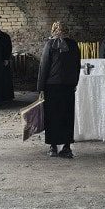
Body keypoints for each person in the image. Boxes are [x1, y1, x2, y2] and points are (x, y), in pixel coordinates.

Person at [37, 21, 81, 158]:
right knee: (67, 115)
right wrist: (74, 83)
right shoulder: (73, 45)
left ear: (53, 30)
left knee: (52, 116)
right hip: (68, 86)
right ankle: (67, 147)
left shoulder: (50, 44)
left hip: (52, 86)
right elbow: (77, 65)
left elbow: (44, 67)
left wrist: (40, 87)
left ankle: (53, 146)